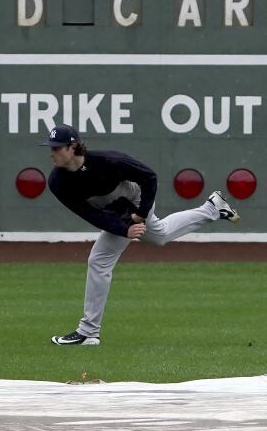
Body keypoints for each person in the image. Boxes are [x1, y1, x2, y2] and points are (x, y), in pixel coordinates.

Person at [40, 124, 239, 346]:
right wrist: (123, 229)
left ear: (73, 146)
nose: (52, 152)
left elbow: (149, 177)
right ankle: (212, 208)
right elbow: (88, 213)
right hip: (117, 213)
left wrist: (140, 215)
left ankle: (88, 332)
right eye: (51, 147)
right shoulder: (57, 181)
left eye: (57, 148)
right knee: (160, 235)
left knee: (99, 260)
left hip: (135, 202)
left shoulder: (108, 161)